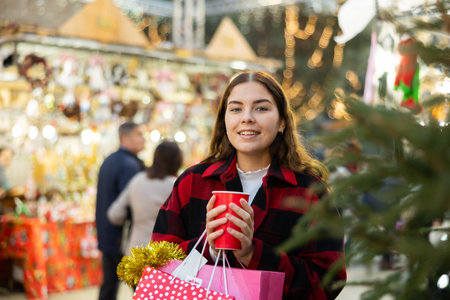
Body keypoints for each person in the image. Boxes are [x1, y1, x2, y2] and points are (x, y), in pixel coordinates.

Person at [152, 71, 346, 299]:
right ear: (225, 121)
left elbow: (329, 282)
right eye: (235, 109)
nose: (247, 118)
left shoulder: (308, 191)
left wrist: (253, 253)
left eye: (261, 108)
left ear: (282, 121)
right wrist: (209, 250)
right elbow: (157, 265)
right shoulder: (193, 182)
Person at [95, 122, 145, 300]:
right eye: (139, 135)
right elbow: (133, 204)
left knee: (109, 285)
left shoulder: (110, 160)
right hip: (122, 236)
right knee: (140, 288)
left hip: (108, 232)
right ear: (125, 138)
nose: (143, 139)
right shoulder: (129, 165)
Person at [107, 141, 183, 254]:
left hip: (135, 251)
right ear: (177, 161)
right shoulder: (176, 185)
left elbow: (114, 214)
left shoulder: (137, 180)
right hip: (163, 254)